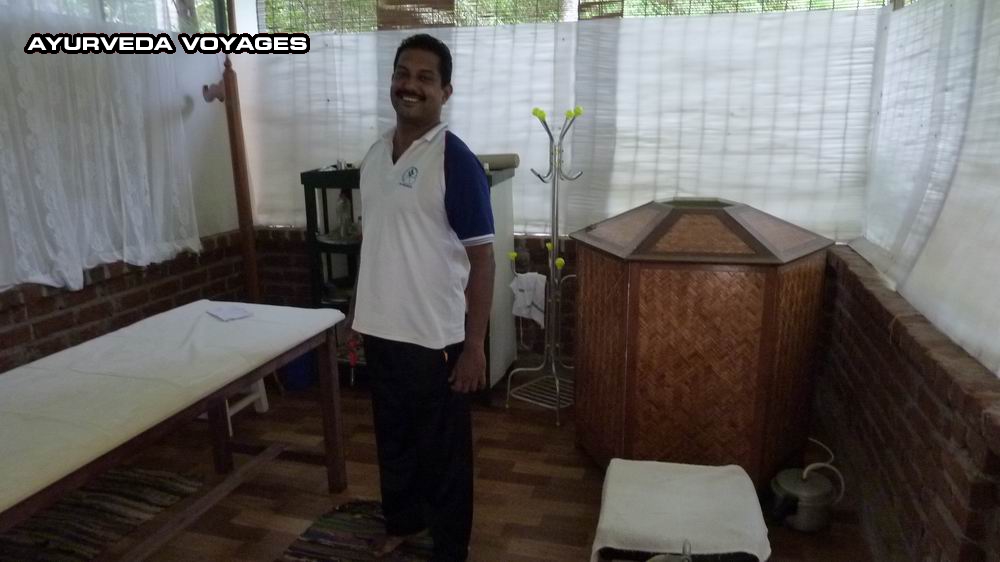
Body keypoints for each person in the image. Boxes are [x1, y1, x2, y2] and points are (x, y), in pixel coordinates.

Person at [346, 33, 495, 562]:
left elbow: (482, 259)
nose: (410, 85)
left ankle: (451, 548)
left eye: (425, 77)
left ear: (445, 91)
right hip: (381, 330)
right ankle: (404, 522)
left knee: (444, 453)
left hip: (435, 338)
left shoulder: (455, 160)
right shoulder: (373, 155)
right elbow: (375, 242)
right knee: (394, 440)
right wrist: (356, 316)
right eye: (402, 74)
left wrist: (474, 346)